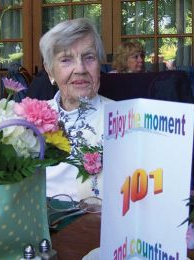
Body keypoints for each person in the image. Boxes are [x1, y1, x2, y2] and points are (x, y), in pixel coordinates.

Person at [39, 18, 112, 200]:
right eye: (66, 59)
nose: (80, 69)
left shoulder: (122, 117)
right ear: (49, 71)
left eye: (89, 57)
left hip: (94, 221)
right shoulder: (31, 118)